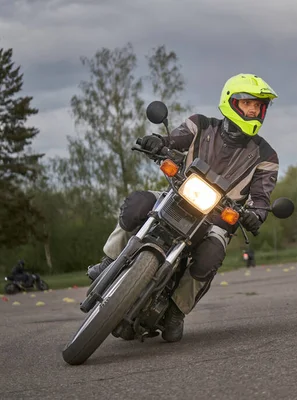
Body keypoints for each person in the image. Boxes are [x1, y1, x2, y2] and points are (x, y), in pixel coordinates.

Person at [86, 73, 280, 343]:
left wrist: (256, 215)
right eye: (247, 103)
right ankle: (109, 261)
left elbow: (261, 197)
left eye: (258, 106)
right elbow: (174, 140)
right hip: (177, 196)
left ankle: (176, 311)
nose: (253, 110)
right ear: (231, 102)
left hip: (216, 220)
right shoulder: (200, 124)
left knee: (211, 255)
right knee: (138, 203)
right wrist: (158, 142)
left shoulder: (266, 156)